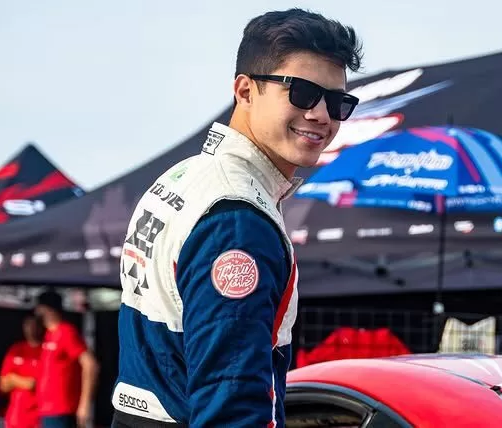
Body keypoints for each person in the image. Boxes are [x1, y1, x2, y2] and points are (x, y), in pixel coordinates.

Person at [111, 8, 363, 427]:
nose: (322, 114)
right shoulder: (237, 219)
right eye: (302, 93)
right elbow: (231, 401)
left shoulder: (185, 177)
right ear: (245, 91)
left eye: (338, 103)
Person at [35, 289, 99, 428]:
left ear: (47, 309)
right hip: (46, 410)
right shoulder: (48, 335)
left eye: (39, 307)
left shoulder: (66, 332)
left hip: (62, 410)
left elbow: (90, 364)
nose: (36, 312)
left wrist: (85, 404)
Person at [0, 314, 42, 428]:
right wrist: (18, 380)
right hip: (16, 416)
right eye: (27, 325)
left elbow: (34, 384)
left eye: (34, 325)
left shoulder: (46, 350)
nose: (30, 329)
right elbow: (3, 385)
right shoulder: (16, 349)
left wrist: (13, 379)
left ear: (40, 327)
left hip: (38, 416)